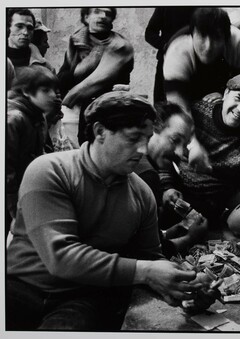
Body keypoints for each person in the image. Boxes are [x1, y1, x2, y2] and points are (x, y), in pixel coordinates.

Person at [5, 91, 217, 330]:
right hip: (21, 286)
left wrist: (181, 287)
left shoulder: (142, 193)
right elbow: (60, 257)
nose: (142, 150)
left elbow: (150, 258)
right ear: (99, 131)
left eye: (146, 139)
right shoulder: (49, 171)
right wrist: (146, 271)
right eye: (133, 138)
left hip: (80, 297)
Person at [162, 68, 240, 236]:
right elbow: (164, 152)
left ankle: (214, 221)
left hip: (215, 201)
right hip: (177, 191)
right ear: (226, 94)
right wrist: (166, 186)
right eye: (238, 98)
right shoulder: (195, 112)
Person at [163, 7, 240, 172]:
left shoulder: (237, 41)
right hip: (181, 93)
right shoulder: (178, 50)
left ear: (226, 38)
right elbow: (178, 108)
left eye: (217, 38)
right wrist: (193, 144)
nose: (208, 46)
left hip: (220, 90)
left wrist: (224, 94)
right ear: (192, 34)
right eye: (202, 36)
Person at [134, 101, 208, 256]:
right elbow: (148, 253)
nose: (180, 153)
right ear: (152, 130)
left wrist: (175, 229)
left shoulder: (140, 160)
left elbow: (141, 236)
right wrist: (190, 238)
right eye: (175, 140)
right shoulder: (147, 176)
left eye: (185, 145)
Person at [57, 7, 134, 145]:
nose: (103, 16)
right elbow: (62, 80)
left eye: (108, 14)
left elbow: (122, 84)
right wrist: (80, 70)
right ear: (86, 17)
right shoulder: (76, 43)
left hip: (109, 112)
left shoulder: (121, 48)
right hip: (78, 112)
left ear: (112, 21)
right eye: (97, 11)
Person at [6, 65, 60, 239]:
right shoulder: (13, 119)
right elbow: (7, 170)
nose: (53, 95)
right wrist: (15, 212)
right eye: (45, 90)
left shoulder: (38, 116)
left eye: (54, 90)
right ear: (27, 92)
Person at [145, 7, 196, 104]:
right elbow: (150, 33)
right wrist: (165, 45)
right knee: (162, 104)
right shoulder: (164, 6)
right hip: (166, 61)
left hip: (192, 63)